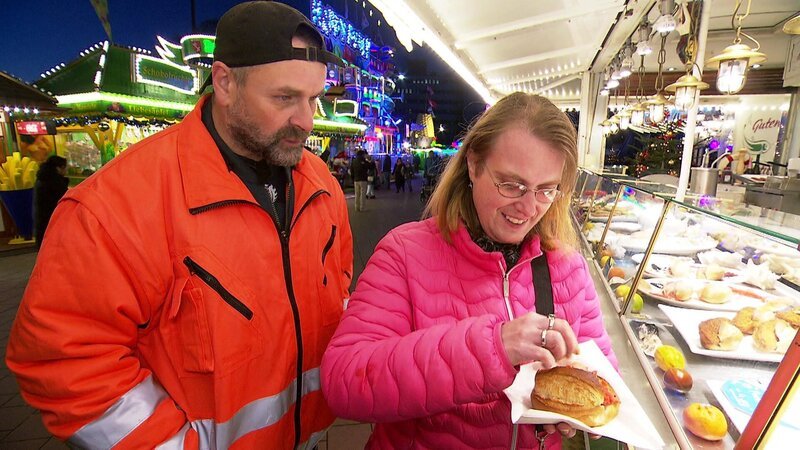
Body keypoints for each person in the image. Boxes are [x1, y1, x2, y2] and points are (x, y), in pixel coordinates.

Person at [6, 3, 353, 449]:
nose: (306, 121)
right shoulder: (113, 205)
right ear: (225, 82)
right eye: (284, 98)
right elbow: (62, 362)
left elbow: (339, 288)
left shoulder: (320, 184)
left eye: (314, 99)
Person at [321, 92, 617, 449]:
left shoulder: (568, 268)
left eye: (545, 190)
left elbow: (602, 377)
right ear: (474, 165)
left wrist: (576, 409)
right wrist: (492, 347)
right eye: (511, 184)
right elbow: (345, 381)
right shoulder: (404, 253)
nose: (527, 207)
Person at [32, 155, 69, 249]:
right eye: (64, 168)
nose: (66, 171)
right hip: (53, 218)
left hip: (43, 218)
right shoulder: (55, 183)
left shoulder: (42, 178)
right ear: (59, 168)